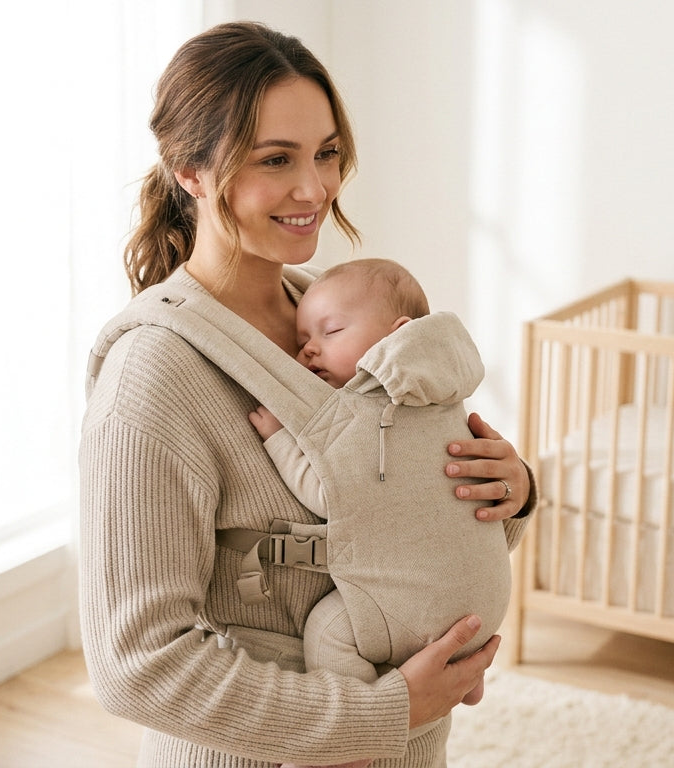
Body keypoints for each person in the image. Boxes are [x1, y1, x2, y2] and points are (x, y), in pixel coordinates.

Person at [80, 21, 535, 768]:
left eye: (326, 154)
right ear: (189, 170)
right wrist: (381, 710)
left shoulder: (328, 322)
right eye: (275, 160)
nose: (314, 188)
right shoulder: (152, 378)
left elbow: (388, 524)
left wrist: (504, 495)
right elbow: (139, 665)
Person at [247, 258, 516, 768]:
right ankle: (461, 666)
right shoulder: (447, 396)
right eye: (305, 335)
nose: (308, 348)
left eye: (331, 331)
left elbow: (331, 496)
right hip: (484, 604)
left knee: (328, 630)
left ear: (396, 337)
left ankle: (350, 746)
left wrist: (280, 437)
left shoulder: (369, 414)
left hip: (424, 610)